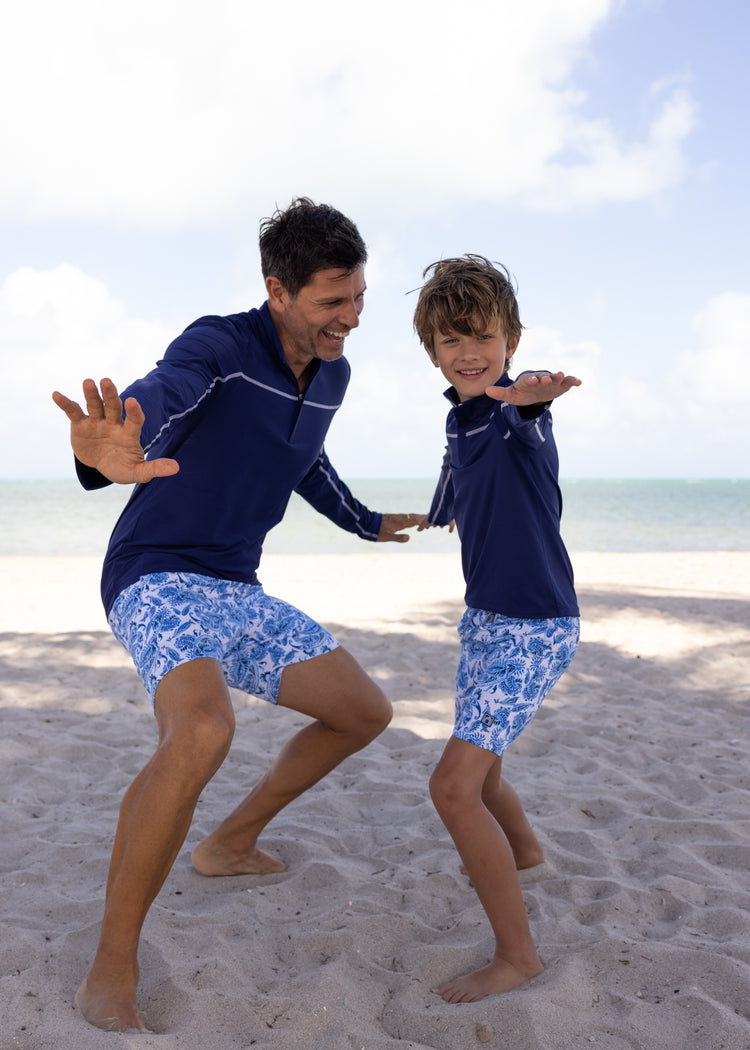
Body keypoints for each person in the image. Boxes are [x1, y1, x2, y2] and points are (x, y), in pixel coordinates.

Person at [52, 197, 419, 1033]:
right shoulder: (220, 344)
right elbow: (165, 393)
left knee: (363, 711)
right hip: (156, 574)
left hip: (238, 588)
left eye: (358, 298)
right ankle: (111, 968)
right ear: (278, 291)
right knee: (202, 733)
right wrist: (117, 445)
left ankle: (227, 844)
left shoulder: (335, 373)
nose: (350, 319)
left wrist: (365, 521)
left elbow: (303, 455)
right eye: (332, 302)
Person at [412, 254, 581, 1003]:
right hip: (486, 621)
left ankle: (519, 957)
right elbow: (461, 458)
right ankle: (523, 848)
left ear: (510, 337)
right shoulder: (462, 416)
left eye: (482, 336)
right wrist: (440, 508)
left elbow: (524, 413)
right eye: (451, 342)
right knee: (487, 770)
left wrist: (535, 398)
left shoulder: (516, 416)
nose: (469, 353)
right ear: (433, 353)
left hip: (534, 625)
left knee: (452, 787)